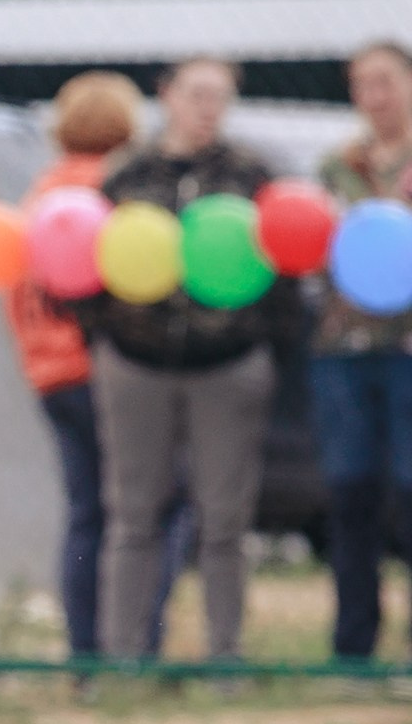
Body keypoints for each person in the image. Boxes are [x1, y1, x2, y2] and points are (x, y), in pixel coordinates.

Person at [80, 58, 295, 665]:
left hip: (227, 367)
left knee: (225, 520)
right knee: (131, 516)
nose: (208, 109)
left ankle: (226, 655)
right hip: (135, 363)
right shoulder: (126, 175)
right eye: (198, 95)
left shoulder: (252, 176)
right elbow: (91, 263)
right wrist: (108, 329)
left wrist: (261, 338)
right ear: (168, 96)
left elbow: (282, 267)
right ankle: (122, 659)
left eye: (220, 98)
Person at [2, 71, 188, 675]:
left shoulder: (41, 194)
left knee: (86, 512)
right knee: (146, 511)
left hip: (48, 375)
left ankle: (84, 654)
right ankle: (134, 642)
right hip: (106, 372)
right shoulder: (113, 192)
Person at [311, 43, 412, 666]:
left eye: (385, 82)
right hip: (342, 350)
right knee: (350, 496)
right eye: (361, 85)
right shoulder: (334, 166)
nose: (375, 97)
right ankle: (353, 645)